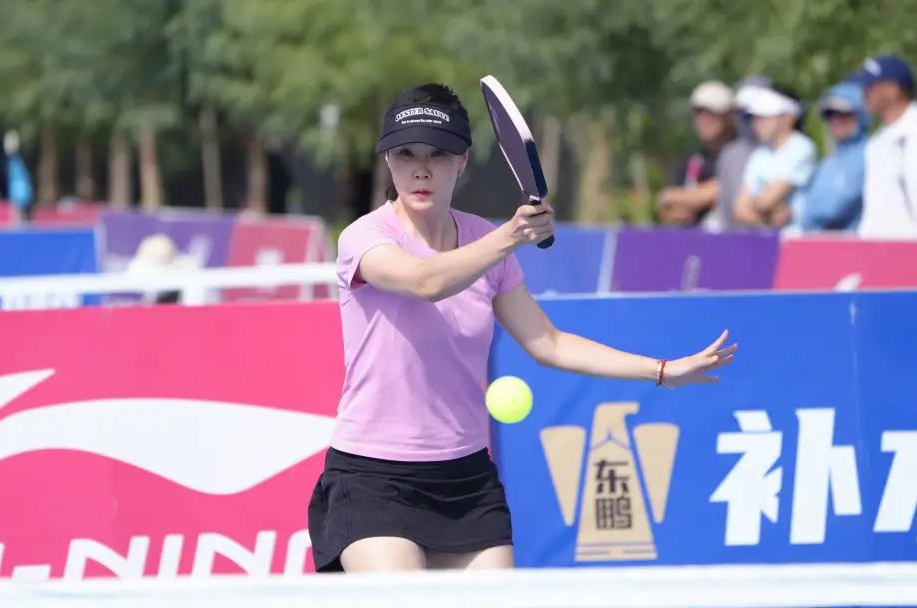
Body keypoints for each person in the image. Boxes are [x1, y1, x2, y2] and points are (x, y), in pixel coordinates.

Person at [307, 83, 737, 573]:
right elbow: (426, 281)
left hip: (464, 478)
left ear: (462, 161)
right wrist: (511, 236)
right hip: (371, 478)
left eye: (438, 153)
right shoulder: (365, 237)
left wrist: (661, 370)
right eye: (406, 153)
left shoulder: (484, 241)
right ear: (388, 159)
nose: (421, 168)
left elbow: (549, 343)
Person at [849, 55, 917, 238]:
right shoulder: (879, 139)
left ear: (892, 89)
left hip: (912, 247)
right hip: (878, 247)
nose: (863, 93)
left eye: (870, 87)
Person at [734, 84, 817, 229]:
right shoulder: (759, 154)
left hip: (797, 237)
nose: (757, 124)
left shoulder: (802, 147)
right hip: (771, 237)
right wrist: (767, 219)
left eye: (765, 118)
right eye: (755, 118)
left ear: (788, 118)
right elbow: (740, 210)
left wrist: (755, 208)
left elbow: (767, 201)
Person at [657, 81, 735, 226]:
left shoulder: (742, 153)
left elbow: (730, 191)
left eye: (712, 113)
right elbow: (667, 208)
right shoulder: (690, 160)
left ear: (729, 116)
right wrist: (702, 198)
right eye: (699, 113)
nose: (704, 119)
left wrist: (686, 198)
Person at [799, 83, 868, 232]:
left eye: (843, 114)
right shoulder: (828, 162)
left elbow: (834, 209)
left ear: (860, 115)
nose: (835, 121)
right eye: (830, 115)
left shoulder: (869, 154)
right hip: (818, 241)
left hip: (852, 241)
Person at [709, 74, 771, 231]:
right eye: (742, 112)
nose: (747, 120)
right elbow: (725, 213)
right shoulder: (730, 154)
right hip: (737, 240)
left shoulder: (788, 148)